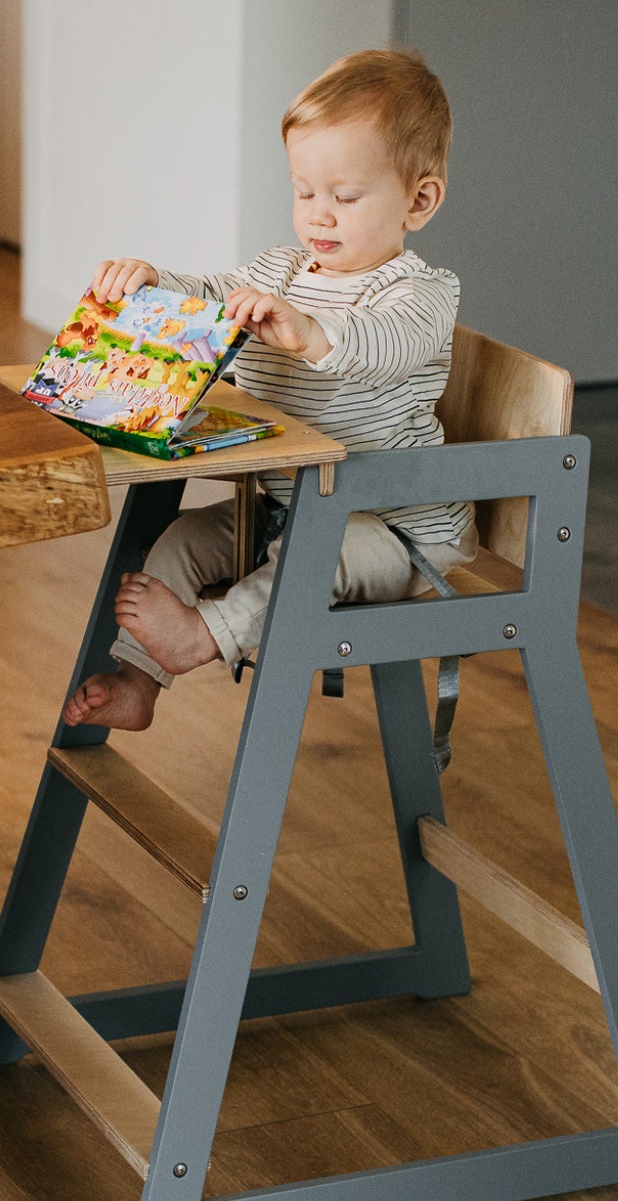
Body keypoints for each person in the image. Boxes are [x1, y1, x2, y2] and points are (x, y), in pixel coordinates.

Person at [64, 48, 477, 732]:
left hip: (392, 532)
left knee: (311, 553)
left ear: (419, 200)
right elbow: (212, 293)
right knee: (175, 543)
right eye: (303, 191)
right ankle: (139, 679)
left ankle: (202, 636)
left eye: (344, 197)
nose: (318, 215)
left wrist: (313, 334)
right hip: (289, 505)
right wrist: (153, 280)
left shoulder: (420, 292)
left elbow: (387, 344)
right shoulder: (283, 269)